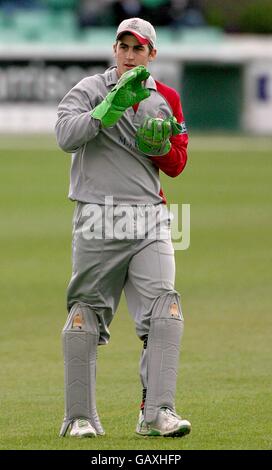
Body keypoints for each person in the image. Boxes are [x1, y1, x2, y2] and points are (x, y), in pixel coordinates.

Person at [55, 17, 191, 438]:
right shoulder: (90, 89)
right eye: (123, 47)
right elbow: (65, 135)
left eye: (138, 48)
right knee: (84, 317)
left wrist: (162, 148)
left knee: (165, 311)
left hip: (150, 215)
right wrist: (104, 111)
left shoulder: (165, 97)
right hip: (97, 214)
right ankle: (78, 418)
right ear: (115, 50)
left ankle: (157, 414)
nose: (130, 55)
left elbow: (178, 164)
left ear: (152, 54)